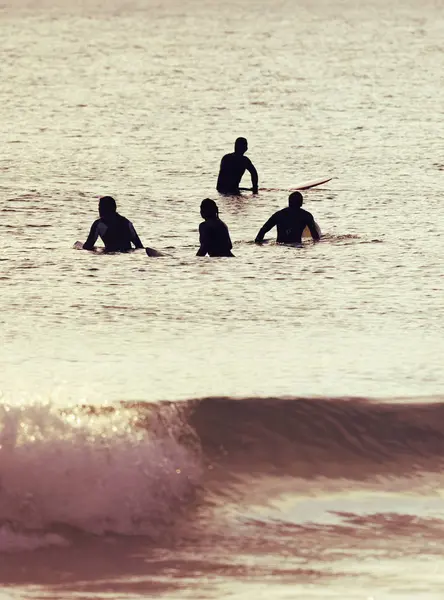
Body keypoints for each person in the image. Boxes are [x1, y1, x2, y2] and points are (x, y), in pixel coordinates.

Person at [255, 191, 321, 245]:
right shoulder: (306, 215)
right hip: (297, 246)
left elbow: (263, 230)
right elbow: (315, 236)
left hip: (280, 246)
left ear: (289, 202)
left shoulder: (279, 214)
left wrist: (257, 242)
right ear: (301, 203)